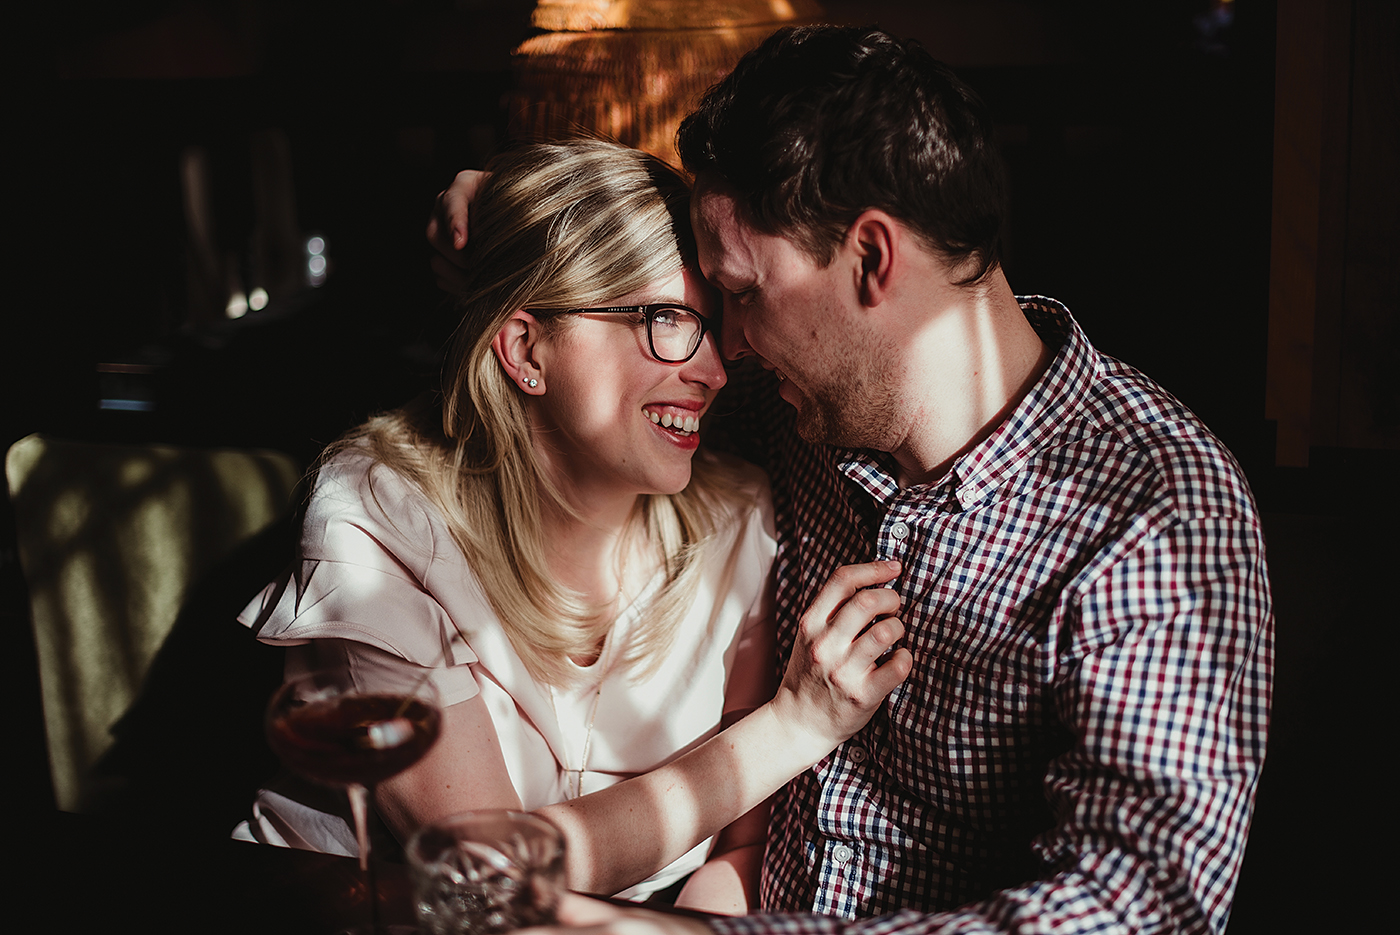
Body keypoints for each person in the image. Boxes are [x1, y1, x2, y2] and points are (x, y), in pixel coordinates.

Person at [430, 23, 1273, 935]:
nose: (730, 346)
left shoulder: (1154, 512)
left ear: (873, 259)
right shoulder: (791, 406)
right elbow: (609, 369)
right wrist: (510, 218)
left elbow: (1135, 909)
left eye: (745, 293)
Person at [239, 139, 912, 914]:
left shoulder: (738, 517)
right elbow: (483, 873)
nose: (713, 372)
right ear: (525, 347)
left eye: (711, 326)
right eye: (665, 320)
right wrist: (794, 728)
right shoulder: (382, 510)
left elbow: (741, 847)